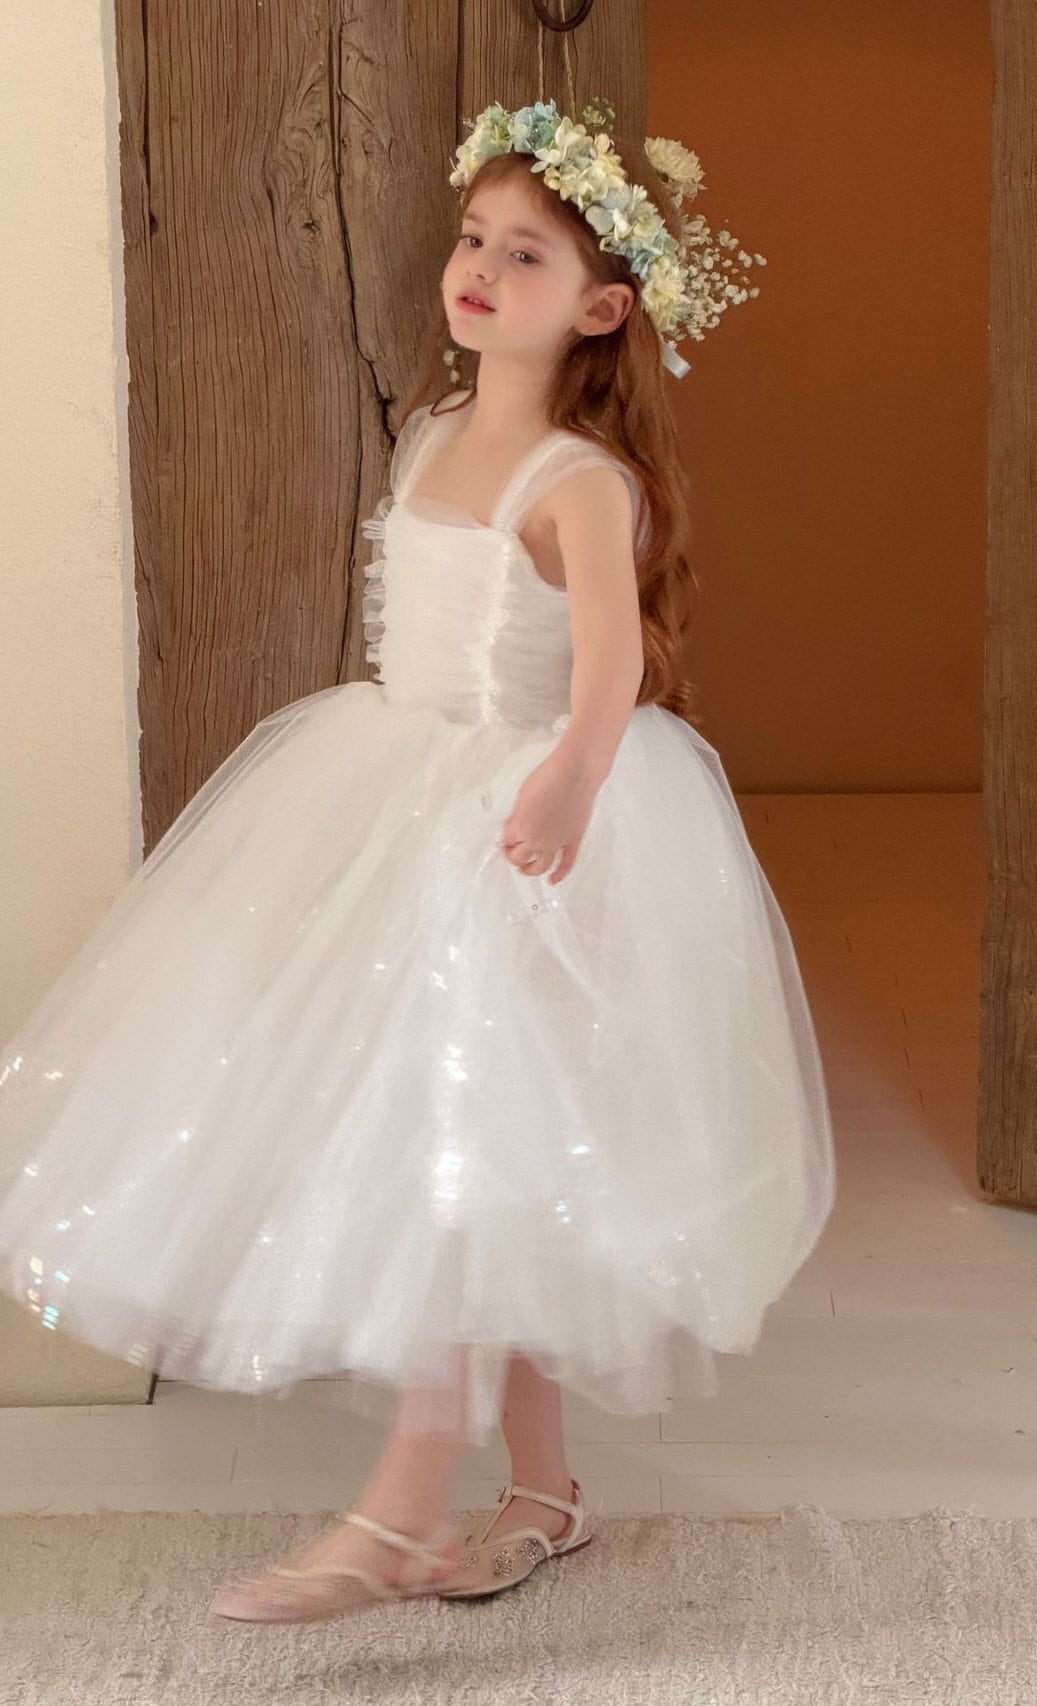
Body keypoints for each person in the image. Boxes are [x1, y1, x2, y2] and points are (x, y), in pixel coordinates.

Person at [0, 96, 836, 1624]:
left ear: (599, 308)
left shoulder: (580, 480)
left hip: (519, 828)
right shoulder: (433, 430)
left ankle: (400, 1504)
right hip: (389, 795)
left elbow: (608, 669)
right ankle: (544, 1493)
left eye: (526, 255)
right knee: (468, 1152)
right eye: (474, 239)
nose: (481, 270)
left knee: (471, 1145)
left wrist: (570, 781)